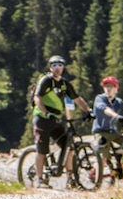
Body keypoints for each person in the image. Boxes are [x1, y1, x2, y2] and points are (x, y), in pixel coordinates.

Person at [30, 55, 93, 189]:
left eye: (60, 65)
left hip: (57, 119)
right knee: (42, 150)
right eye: (54, 65)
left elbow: (77, 99)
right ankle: (39, 180)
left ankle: (70, 180)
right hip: (42, 119)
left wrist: (88, 111)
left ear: (63, 67)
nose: (57, 68)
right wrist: (46, 113)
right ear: (50, 67)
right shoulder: (46, 80)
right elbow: (38, 97)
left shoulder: (64, 84)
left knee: (69, 145)